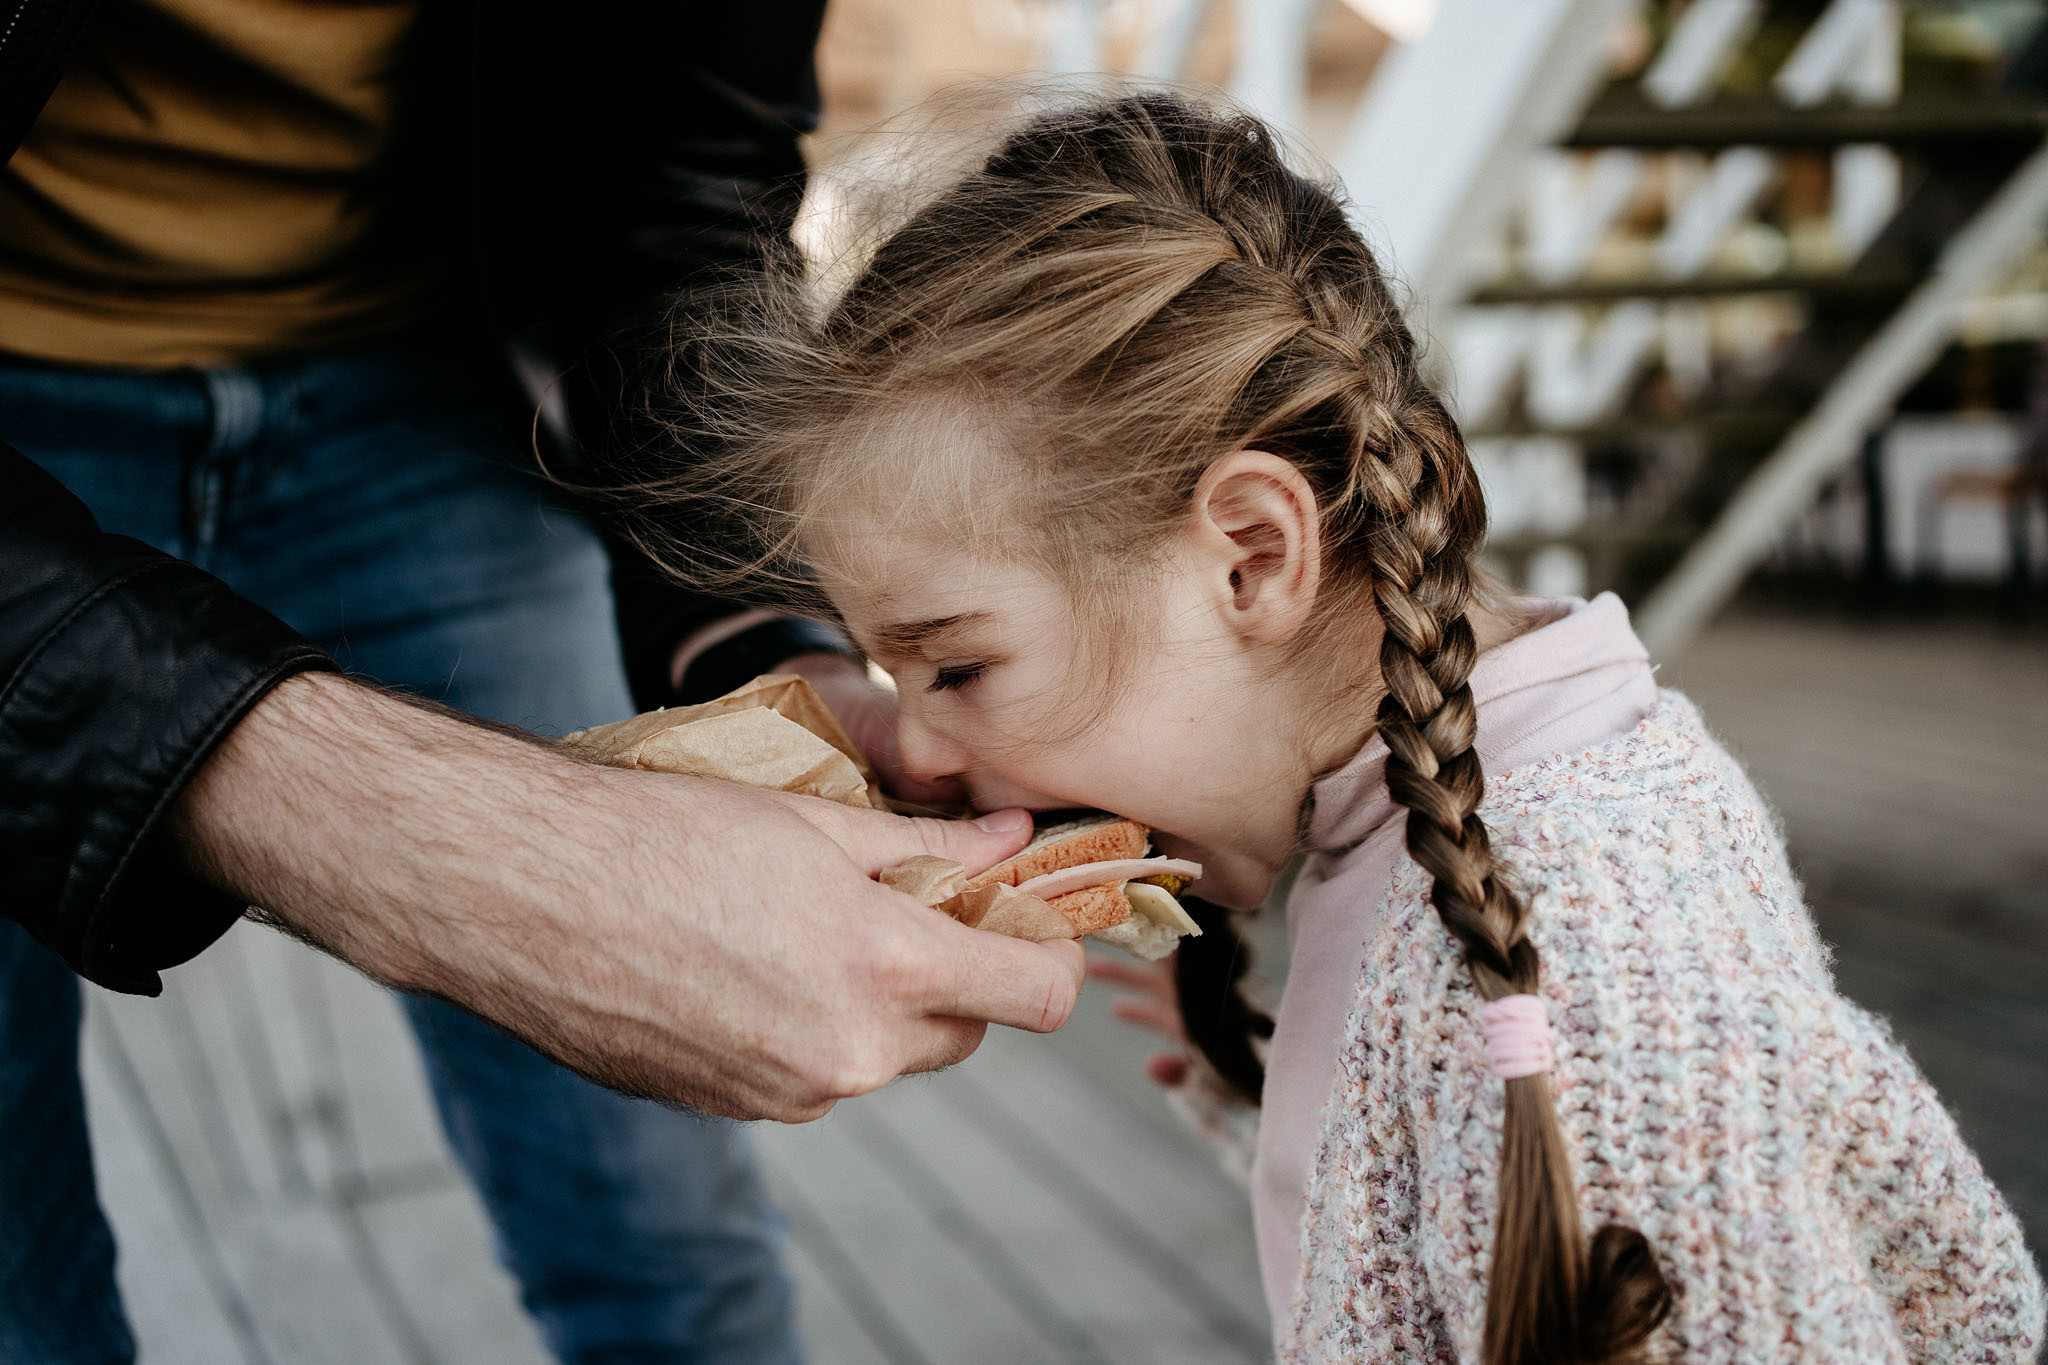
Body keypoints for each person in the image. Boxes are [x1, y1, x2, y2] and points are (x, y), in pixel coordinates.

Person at [617, 91, 2048, 1363]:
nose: (913, 751)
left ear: (1251, 553)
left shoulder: (1595, 979)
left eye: (959, 665)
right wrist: (1300, 1106)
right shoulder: (1455, 850)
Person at [0, 5, 1082, 1363]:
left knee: (666, 1233)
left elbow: (683, 198)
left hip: (426, 380)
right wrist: (484, 855)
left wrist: (770, 639)